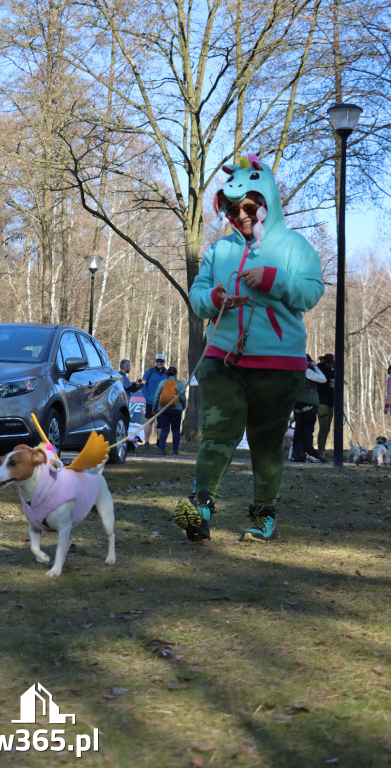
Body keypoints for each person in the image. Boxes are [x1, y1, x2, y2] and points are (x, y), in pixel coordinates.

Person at [173, 154, 324, 543]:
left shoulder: (295, 246)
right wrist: (215, 297)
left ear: (266, 203)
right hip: (222, 358)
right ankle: (200, 508)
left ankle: (263, 517)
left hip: (279, 363)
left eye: (249, 207)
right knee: (218, 433)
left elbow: (311, 293)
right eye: (232, 208)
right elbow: (197, 297)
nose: (241, 214)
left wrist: (272, 279)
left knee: (266, 441)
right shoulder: (218, 251)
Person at [291, 354, 326, 463]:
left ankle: (297, 454)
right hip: (309, 407)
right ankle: (308, 453)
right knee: (307, 432)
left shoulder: (294, 372)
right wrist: (315, 367)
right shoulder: (307, 372)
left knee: (298, 432)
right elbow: (323, 379)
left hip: (297, 406)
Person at [152, 366, 187, 455]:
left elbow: (156, 396)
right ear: (175, 374)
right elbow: (182, 397)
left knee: (164, 430)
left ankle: (161, 450)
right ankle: (175, 451)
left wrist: (154, 408)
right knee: (176, 430)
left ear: (167, 374)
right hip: (176, 410)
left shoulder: (162, 383)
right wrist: (183, 406)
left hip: (163, 409)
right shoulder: (179, 384)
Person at [141, 354, 167, 449]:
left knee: (161, 423)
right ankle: (146, 442)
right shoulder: (149, 371)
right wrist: (147, 396)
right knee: (150, 421)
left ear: (164, 362)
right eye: (157, 361)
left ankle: (159, 442)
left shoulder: (167, 373)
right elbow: (143, 384)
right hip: (150, 402)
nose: (159, 363)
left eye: (161, 361)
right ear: (155, 362)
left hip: (162, 403)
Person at [315, 353, 335, 462]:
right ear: (327, 363)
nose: (333, 366)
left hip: (330, 403)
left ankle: (322, 450)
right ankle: (321, 451)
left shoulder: (332, 372)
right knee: (323, 427)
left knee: (327, 428)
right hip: (322, 402)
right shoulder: (319, 370)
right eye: (332, 364)